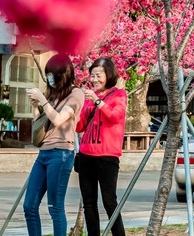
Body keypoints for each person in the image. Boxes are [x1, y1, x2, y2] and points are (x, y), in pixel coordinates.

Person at [25, 55, 85, 236]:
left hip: (61, 154)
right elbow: (42, 126)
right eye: (48, 74)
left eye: (52, 74)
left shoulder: (76, 94)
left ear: (63, 74)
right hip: (43, 153)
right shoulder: (53, 95)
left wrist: (43, 100)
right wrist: (36, 107)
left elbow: (59, 119)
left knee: (55, 207)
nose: (49, 78)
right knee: (29, 206)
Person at [77, 57, 128, 236]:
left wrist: (99, 102)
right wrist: (78, 108)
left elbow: (115, 116)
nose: (95, 79)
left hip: (107, 157)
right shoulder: (89, 97)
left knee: (109, 202)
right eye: (92, 75)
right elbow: (80, 126)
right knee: (89, 203)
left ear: (109, 75)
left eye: (99, 75)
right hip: (86, 155)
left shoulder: (119, 94)